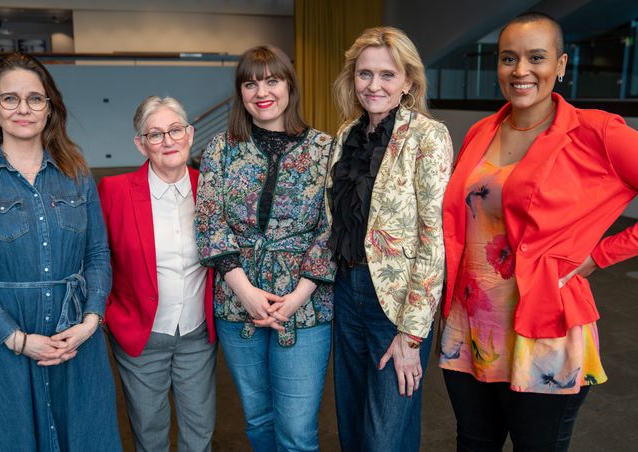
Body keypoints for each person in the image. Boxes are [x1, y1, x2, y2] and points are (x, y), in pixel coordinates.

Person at [440, 12, 638, 452]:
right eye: (509, 58)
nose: (521, 70)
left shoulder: (595, 131)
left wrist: (599, 255)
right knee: (474, 443)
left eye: (536, 57)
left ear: (562, 65)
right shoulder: (481, 130)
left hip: (542, 329)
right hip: (470, 323)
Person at [0, 53, 121, 451]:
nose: (23, 109)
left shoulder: (78, 176)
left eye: (35, 99)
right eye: (10, 99)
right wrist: (18, 339)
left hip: (75, 345)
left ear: (49, 107)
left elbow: (98, 255)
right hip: (1, 350)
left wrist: (90, 322)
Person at [195, 45, 335, 452]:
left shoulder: (324, 150)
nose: (262, 91)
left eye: (272, 80)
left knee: (296, 430)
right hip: (238, 303)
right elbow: (209, 223)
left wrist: (296, 298)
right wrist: (247, 293)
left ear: (289, 85)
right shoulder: (221, 148)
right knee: (257, 420)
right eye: (250, 82)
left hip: (306, 306)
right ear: (240, 92)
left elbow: (331, 229)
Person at [327, 26, 453, 451]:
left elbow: (433, 240)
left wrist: (412, 334)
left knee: (385, 434)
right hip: (346, 291)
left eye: (387, 74)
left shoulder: (427, 137)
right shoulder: (345, 135)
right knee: (352, 422)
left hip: (396, 305)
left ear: (408, 82)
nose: (374, 85)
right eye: (365, 74)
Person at [98, 96, 216, 452]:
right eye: (155, 134)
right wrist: (106, 314)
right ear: (140, 143)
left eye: (175, 130)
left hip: (197, 335)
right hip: (139, 336)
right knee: (149, 435)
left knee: (200, 432)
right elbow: (95, 258)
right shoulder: (114, 191)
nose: (168, 141)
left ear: (190, 134)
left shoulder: (210, 187)